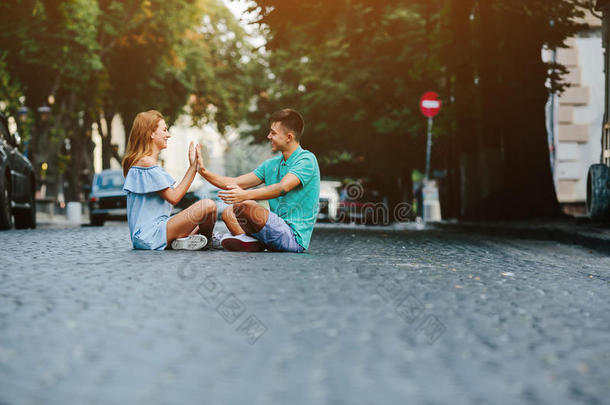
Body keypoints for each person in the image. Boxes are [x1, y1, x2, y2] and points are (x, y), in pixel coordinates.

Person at [196, 108, 320, 252]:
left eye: (273, 133)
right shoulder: (271, 164)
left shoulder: (306, 160)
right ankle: (253, 242)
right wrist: (203, 171)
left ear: (289, 137)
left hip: (293, 238)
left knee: (246, 206)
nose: (268, 136)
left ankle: (251, 240)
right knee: (228, 213)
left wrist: (245, 195)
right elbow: (235, 182)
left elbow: (282, 187)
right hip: (275, 228)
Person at [122, 110, 218, 251]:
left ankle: (182, 241)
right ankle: (207, 240)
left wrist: (193, 167)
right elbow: (174, 197)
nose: (168, 135)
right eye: (164, 130)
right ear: (151, 133)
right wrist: (193, 167)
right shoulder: (146, 163)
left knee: (204, 219)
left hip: (149, 233)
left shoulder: (142, 162)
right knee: (208, 205)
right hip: (151, 235)